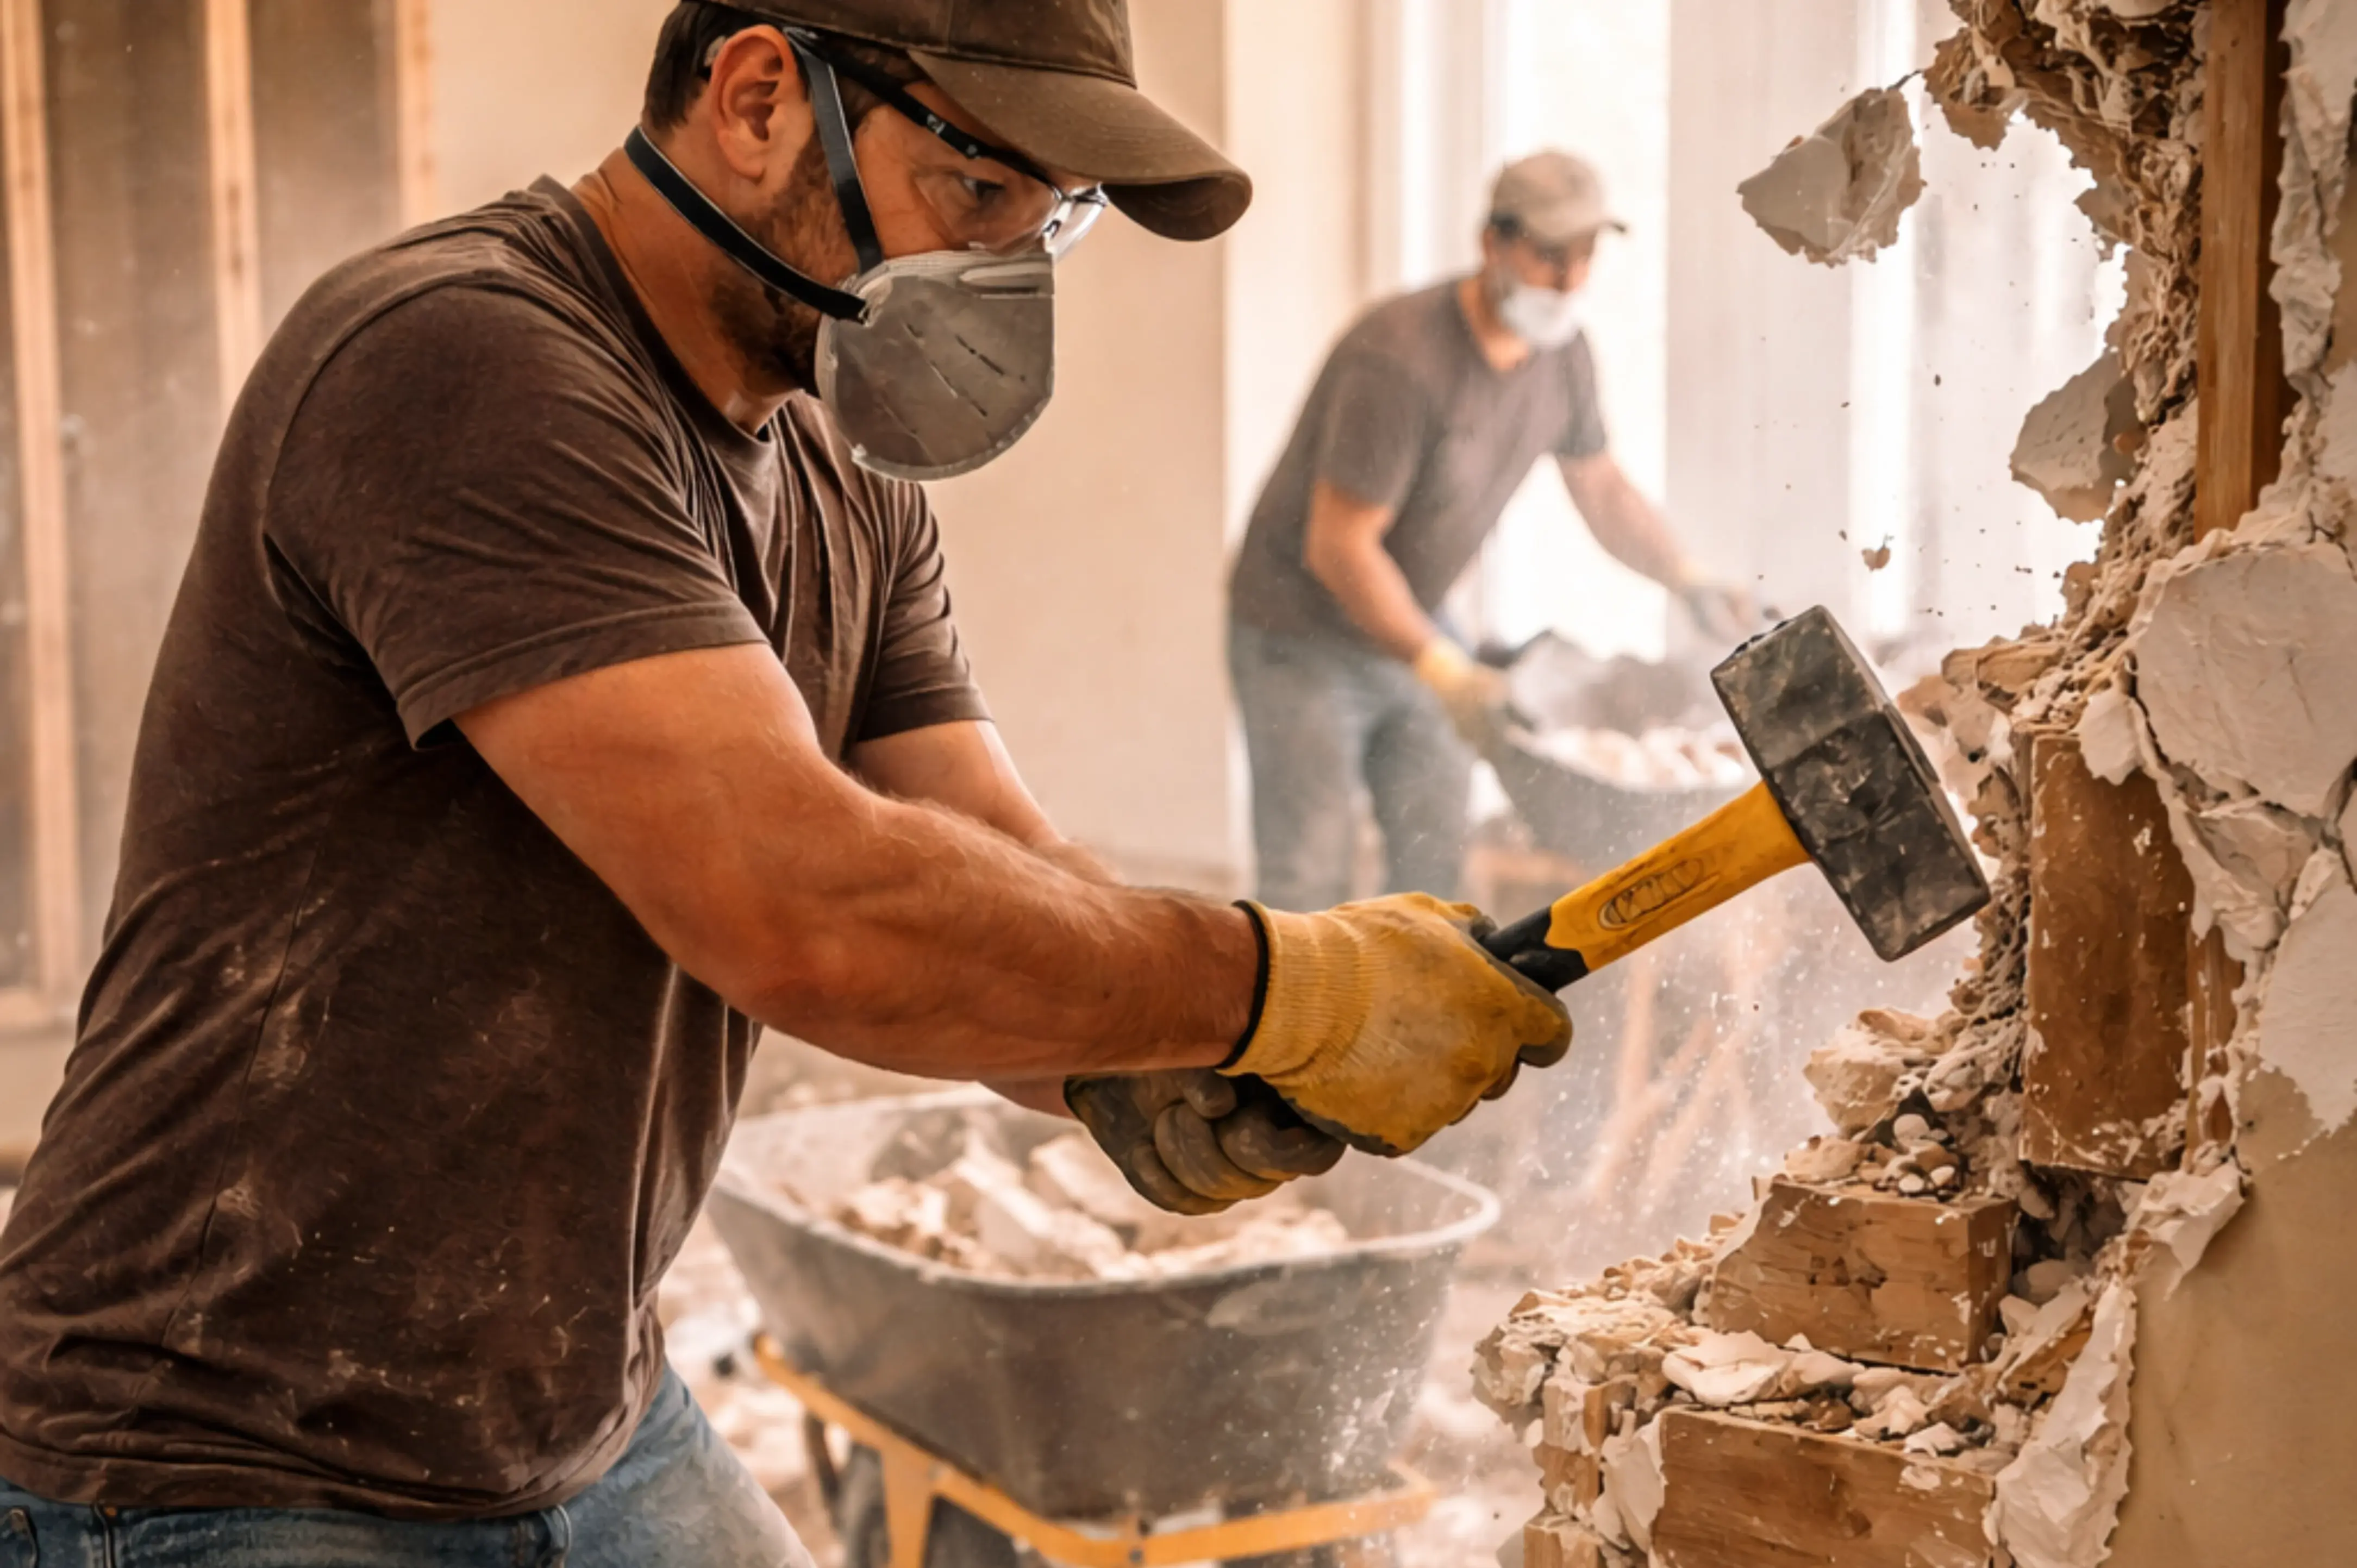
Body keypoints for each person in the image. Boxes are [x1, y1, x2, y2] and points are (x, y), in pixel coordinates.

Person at [0, 4, 1571, 1564]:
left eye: (1054, 222)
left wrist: (1138, 1054)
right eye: (978, 193)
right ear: (758, 98)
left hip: (578, 1415)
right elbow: (808, 909)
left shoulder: (838, 474)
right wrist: (1272, 981)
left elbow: (988, 851)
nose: (1008, 272)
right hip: (215, 1445)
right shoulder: (463, 358)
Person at [1227, 152, 1754, 913]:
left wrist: (1685, 572)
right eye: (1549, 256)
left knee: (1431, 865)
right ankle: (1296, 1035)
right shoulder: (1399, 361)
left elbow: (1600, 486)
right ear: (1492, 245)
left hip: (1421, 618)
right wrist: (1444, 669)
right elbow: (1339, 547)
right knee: (1308, 873)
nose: (1571, 281)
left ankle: (1403, 1032)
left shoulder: (1563, 355)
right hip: (1302, 636)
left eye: (1585, 256)